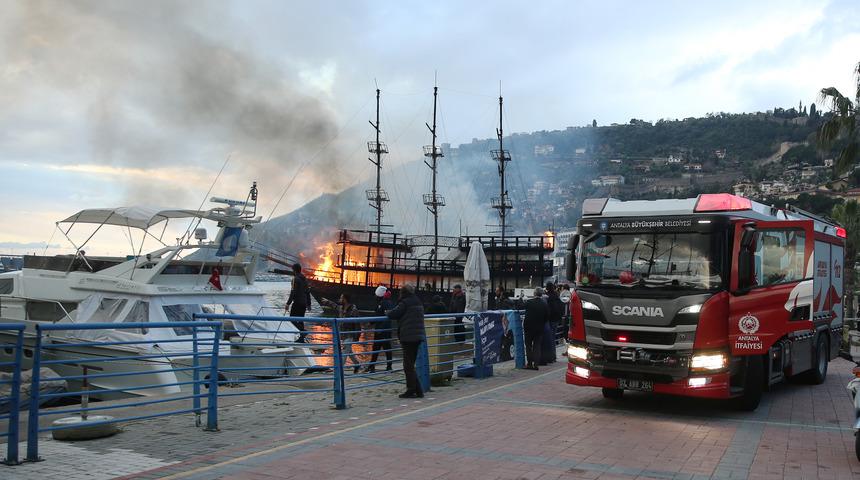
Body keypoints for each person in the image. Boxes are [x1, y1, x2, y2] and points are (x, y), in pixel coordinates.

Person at [386, 284, 426, 398]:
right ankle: (418, 390)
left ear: (403, 292)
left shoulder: (405, 302)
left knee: (407, 365)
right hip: (418, 336)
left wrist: (387, 313)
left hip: (408, 336)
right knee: (410, 364)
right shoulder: (417, 301)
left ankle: (411, 390)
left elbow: (395, 313)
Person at [320, 293, 363, 374]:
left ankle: (339, 370)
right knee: (348, 351)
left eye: (341, 298)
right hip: (343, 334)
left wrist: (357, 336)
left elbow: (357, 324)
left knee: (344, 352)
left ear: (345, 300)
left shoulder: (354, 310)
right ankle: (357, 364)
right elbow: (335, 306)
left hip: (350, 334)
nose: (340, 299)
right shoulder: (341, 308)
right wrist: (327, 301)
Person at [368, 287, 394, 373]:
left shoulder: (384, 303)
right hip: (382, 329)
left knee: (379, 348)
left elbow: (385, 316)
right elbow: (378, 315)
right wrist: (371, 323)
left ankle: (373, 366)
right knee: (384, 348)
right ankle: (374, 366)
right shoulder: (385, 302)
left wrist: (380, 327)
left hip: (382, 330)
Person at [523, 287, 549, 370]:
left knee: (528, 345)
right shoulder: (544, 304)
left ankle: (529, 363)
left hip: (528, 327)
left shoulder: (529, 302)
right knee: (537, 345)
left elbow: (520, 306)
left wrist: (521, 298)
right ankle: (536, 364)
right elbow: (547, 317)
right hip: (539, 328)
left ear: (534, 294)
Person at [285, 263, 311, 339]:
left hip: (297, 303)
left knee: (292, 319)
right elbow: (308, 292)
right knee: (300, 320)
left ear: (294, 270)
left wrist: (288, 303)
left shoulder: (295, 279)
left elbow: (293, 292)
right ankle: (301, 338)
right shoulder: (304, 278)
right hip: (304, 303)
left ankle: (302, 331)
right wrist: (309, 304)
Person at [543, 283, 564, 365]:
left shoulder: (547, 297)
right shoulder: (557, 296)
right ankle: (553, 356)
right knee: (553, 338)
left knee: (549, 338)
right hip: (556, 319)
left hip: (549, 319)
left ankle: (550, 357)